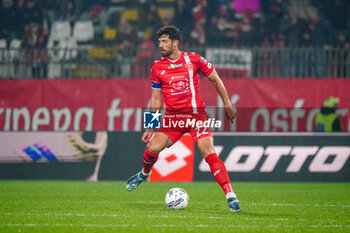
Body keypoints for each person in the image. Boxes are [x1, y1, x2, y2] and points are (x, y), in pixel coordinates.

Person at [125, 25, 240, 212]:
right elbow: (155, 98)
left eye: (164, 41)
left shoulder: (193, 59)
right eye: (159, 42)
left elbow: (216, 79)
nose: (161, 45)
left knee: (208, 152)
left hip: (196, 116)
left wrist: (227, 104)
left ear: (175, 42)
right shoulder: (157, 66)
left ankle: (231, 196)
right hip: (173, 118)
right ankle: (145, 173)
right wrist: (150, 127)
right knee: (152, 147)